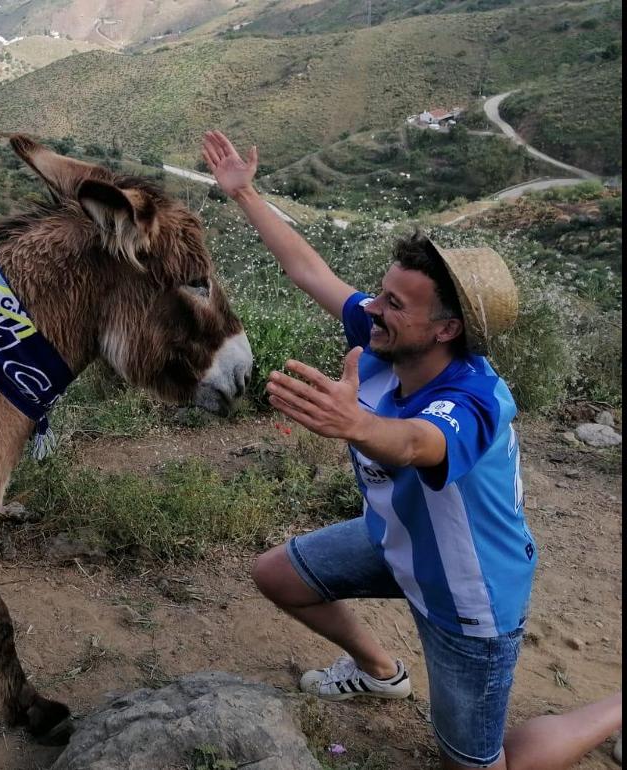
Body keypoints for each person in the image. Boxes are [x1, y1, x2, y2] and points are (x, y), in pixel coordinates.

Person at [200, 129, 623, 770]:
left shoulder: (478, 396)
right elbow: (308, 269)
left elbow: (422, 443)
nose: (373, 305)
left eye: (394, 302)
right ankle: (378, 671)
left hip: (468, 595)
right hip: (400, 543)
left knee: (479, 765)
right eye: (379, 292)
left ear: (446, 329)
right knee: (278, 576)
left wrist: (356, 425)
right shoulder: (384, 338)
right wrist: (245, 193)